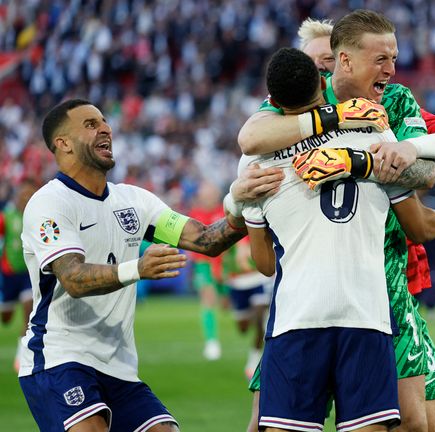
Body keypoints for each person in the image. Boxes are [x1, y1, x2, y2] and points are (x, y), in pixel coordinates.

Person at [239, 12, 435, 432]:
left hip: (385, 276)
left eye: (394, 57)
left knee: (419, 421)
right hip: (308, 292)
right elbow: (250, 141)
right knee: (266, 419)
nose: (391, 69)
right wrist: (339, 124)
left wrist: (387, 154)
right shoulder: (295, 107)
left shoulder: (393, 103)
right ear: (340, 62)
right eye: (381, 59)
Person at [18, 99, 250, 432]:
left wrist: (245, 205)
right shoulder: (49, 203)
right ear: (63, 144)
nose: (105, 128)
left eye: (103, 121)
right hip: (58, 358)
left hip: (119, 366)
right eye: (90, 124)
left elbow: (206, 240)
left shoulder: (133, 201)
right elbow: (73, 277)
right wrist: (138, 269)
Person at [222, 237, 273, 380]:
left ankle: (253, 362)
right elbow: (222, 257)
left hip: (259, 278)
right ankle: (253, 314)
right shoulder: (231, 225)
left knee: (260, 321)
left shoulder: (260, 221)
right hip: (237, 282)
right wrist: (223, 291)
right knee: (243, 328)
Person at [1, 178, 38, 372]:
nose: (26, 198)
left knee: (28, 313)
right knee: (5, 317)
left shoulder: (37, 217)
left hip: (28, 274)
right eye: (24, 194)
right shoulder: (6, 217)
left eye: (30, 195)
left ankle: (21, 357)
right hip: (9, 274)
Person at [187, 181, 227, 361]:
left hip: (226, 265)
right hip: (204, 265)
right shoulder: (195, 215)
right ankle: (212, 343)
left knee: (230, 306)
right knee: (208, 298)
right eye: (205, 193)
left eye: (210, 193)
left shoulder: (224, 211)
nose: (208, 197)